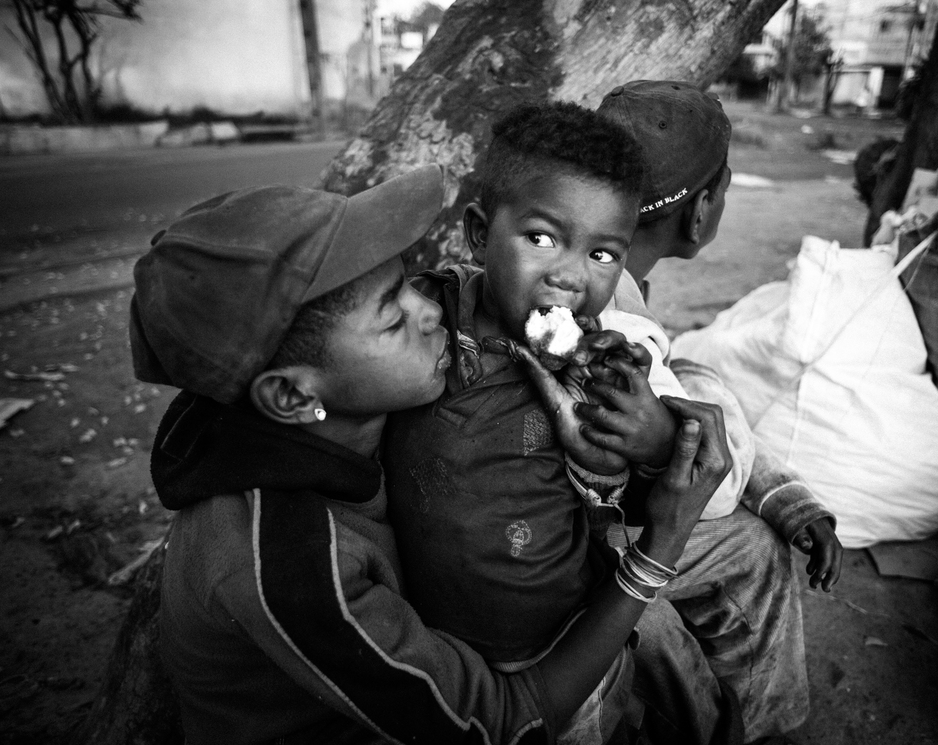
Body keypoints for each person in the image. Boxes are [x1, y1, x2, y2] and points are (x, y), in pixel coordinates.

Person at [130, 165, 737, 745]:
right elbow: (506, 727)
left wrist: (640, 441)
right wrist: (659, 548)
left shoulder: (342, 416)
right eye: (393, 317)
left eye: (406, 282)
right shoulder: (285, 560)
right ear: (291, 394)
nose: (429, 310)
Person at [382, 102, 743, 744]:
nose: (572, 275)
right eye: (541, 238)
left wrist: (633, 448)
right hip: (441, 651)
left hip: (569, 649)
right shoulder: (425, 318)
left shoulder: (603, 366)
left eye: (604, 254)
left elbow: (618, 499)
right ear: (477, 233)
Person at [596, 80, 844, 741]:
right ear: (700, 210)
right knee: (754, 546)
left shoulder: (589, 275)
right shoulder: (617, 319)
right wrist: (767, 496)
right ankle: (765, 726)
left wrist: (785, 493)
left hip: (558, 530)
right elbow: (711, 483)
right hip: (582, 552)